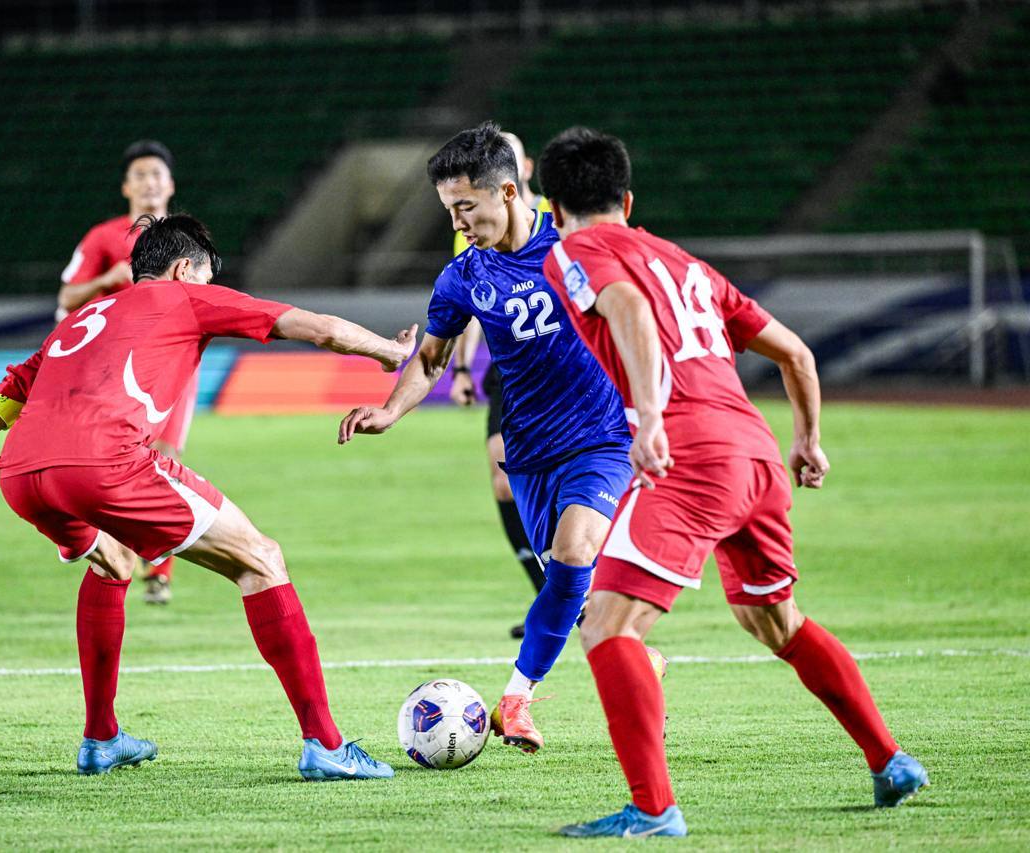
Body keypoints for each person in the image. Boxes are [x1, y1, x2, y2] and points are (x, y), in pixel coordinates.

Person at [0, 213, 414, 780]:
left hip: (23, 477)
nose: (208, 287)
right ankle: (326, 745)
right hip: (105, 465)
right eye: (205, 277)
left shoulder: (75, 324)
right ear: (182, 269)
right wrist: (391, 354)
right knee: (262, 560)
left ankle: (101, 738)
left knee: (113, 562)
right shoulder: (185, 298)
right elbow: (317, 328)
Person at [536, 126, 928, 838]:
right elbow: (797, 354)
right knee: (774, 619)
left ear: (554, 208)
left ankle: (652, 810)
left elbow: (628, 309)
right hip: (757, 453)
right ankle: (890, 759)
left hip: (692, 455)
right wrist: (808, 439)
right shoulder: (687, 264)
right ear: (628, 199)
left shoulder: (575, 250)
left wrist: (649, 417)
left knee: (606, 624)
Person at [338, 123, 639, 755]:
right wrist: (391, 411)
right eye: (449, 210)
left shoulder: (574, 244)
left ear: (507, 191)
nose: (458, 222)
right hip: (529, 454)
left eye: (465, 207)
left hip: (602, 438)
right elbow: (430, 359)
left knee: (575, 554)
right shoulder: (463, 275)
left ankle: (516, 699)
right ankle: (637, 665)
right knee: (575, 592)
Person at [58, 139, 189, 604]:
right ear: (126, 187)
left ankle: (159, 570)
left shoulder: (188, 240)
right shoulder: (103, 237)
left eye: (157, 174)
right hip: (114, 368)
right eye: (141, 175)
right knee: (116, 462)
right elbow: (67, 298)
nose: (150, 182)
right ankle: (119, 558)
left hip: (172, 364)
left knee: (166, 458)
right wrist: (106, 280)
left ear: (170, 185)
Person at [446, 131, 554, 639]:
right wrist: (462, 369)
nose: (460, 219)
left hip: (563, 368)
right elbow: (468, 301)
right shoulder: (472, 226)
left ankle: (583, 591)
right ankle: (545, 595)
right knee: (503, 478)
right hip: (510, 368)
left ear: (522, 170)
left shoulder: (557, 217)